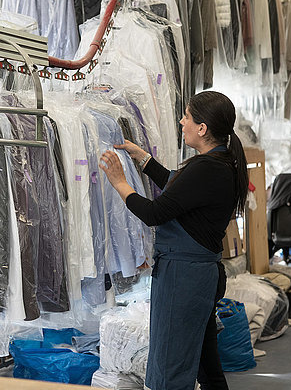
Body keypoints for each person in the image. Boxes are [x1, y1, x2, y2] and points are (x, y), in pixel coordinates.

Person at [99, 91, 248, 390]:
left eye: (187, 117)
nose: (181, 122)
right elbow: (179, 186)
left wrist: (120, 182)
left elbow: (155, 212)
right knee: (207, 365)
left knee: (170, 367)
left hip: (184, 277)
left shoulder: (207, 167)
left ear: (202, 128)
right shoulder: (220, 162)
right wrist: (143, 158)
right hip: (199, 274)